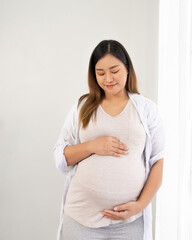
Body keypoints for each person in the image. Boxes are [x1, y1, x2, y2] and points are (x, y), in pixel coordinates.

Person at [53, 39, 165, 240]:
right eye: (101, 73)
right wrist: (93, 146)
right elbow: (61, 156)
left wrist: (140, 205)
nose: (108, 79)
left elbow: (158, 160)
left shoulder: (147, 109)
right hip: (81, 219)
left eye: (114, 71)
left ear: (127, 69)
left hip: (129, 222)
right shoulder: (83, 107)